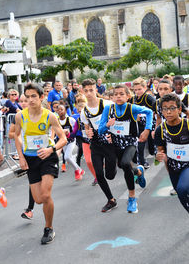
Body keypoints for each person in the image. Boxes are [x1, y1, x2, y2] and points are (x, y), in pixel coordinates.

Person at [14, 83, 67, 245]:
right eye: (27, 97)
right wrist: (21, 157)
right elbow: (16, 136)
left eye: (33, 96)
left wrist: (51, 150)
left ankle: (48, 228)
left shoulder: (50, 116)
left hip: (47, 157)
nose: (30, 100)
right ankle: (47, 219)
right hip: (30, 159)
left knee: (45, 195)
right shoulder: (20, 116)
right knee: (37, 199)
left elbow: (63, 139)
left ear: (41, 97)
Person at [99, 84, 153, 213]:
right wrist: (107, 124)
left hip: (130, 143)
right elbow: (100, 130)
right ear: (112, 97)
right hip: (115, 145)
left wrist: (147, 129)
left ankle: (132, 198)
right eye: (116, 94)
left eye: (121, 94)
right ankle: (139, 171)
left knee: (124, 163)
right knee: (123, 167)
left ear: (128, 96)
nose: (118, 96)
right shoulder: (108, 109)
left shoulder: (132, 108)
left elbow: (149, 112)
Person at [80, 79, 118, 211]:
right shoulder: (84, 111)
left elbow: (118, 118)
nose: (89, 93)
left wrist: (113, 128)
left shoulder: (107, 104)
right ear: (82, 92)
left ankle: (120, 168)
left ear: (96, 89)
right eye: (86, 91)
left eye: (91, 90)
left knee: (110, 175)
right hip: (96, 144)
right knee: (99, 174)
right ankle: (111, 199)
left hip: (109, 141)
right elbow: (86, 128)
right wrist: (89, 133)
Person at [155, 93, 189, 214]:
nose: (168, 112)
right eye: (165, 109)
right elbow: (161, 152)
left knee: (182, 188)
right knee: (181, 193)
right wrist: (158, 156)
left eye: (172, 108)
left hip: (188, 165)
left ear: (179, 109)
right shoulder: (160, 130)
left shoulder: (187, 125)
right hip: (173, 168)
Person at [131, 77, 156, 169]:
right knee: (140, 144)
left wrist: (151, 113)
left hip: (149, 124)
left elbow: (156, 107)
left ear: (145, 88)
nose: (137, 91)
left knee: (151, 145)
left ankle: (155, 151)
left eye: (139, 89)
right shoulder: (133, 99)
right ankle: (142, 162)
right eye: (135, 90)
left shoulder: (148, 97)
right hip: (138, 125)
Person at [57, 104, 85, 181]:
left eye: (61, 109)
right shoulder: (57, 121)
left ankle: (77, 171)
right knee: (69, 158)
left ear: (65, 111)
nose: (60, 111)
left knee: (67, 157)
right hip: (63, 143)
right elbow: (56, 133)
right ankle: (80, 169)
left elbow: (75, 130)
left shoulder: (70, 120)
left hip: (71, 141)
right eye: (58, 110)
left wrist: (68, 134)